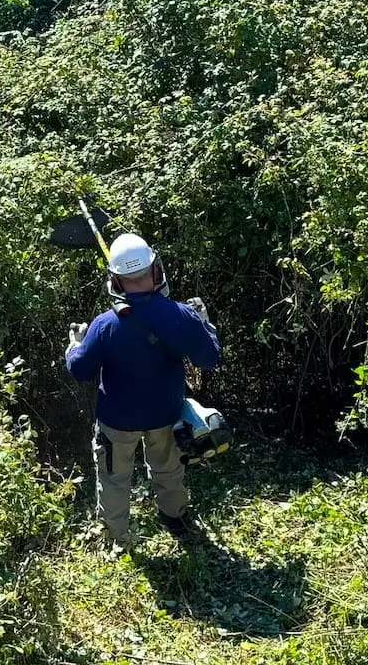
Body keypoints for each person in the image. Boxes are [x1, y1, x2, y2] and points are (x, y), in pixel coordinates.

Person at [65, 232, 221, 548]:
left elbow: (80, 370)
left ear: (116, 280)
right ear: (155, 270)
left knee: (114, 478)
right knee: (168, 470)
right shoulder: (182, 314)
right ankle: (175, 520)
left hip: (117, 420)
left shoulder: (104, 324)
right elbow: (210, 358)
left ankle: (118, 537)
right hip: (166, 413)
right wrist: (205, 325)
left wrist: (74, 346)